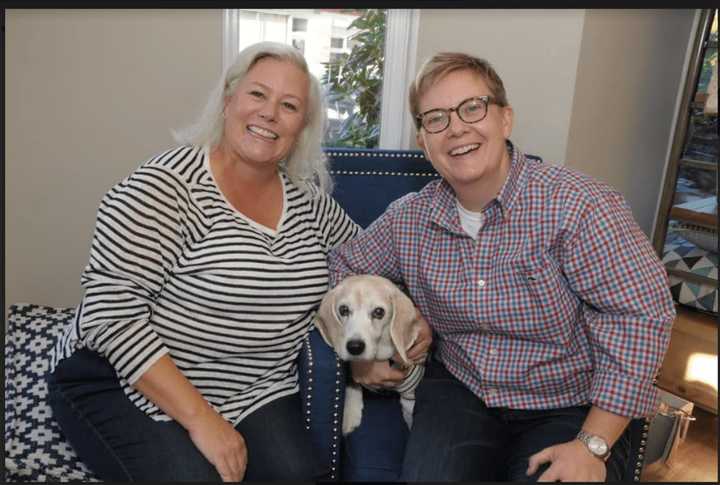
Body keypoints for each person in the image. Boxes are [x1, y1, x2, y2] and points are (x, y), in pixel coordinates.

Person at [46, 41, 430, 482]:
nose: (269, 113)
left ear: (301, 126)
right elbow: (109, 315)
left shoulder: (309, 202)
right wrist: (203, 422)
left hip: (253, 387)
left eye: (289, 105)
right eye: (257, 94)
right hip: (126, 380)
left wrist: (380, 338)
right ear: (229, 100)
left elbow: (370, 266)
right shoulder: (162, 189)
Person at [328, 52, 676, 482]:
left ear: (505, 119)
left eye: (473, 108)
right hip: (460, 391)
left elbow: (641, 316)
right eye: (435, 118)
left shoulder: (579, 206)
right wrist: (365, 347)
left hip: (568, 400)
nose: (456, 127)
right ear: (423, 141)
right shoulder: (409, 219)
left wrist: (593, 444)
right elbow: (339, 271)